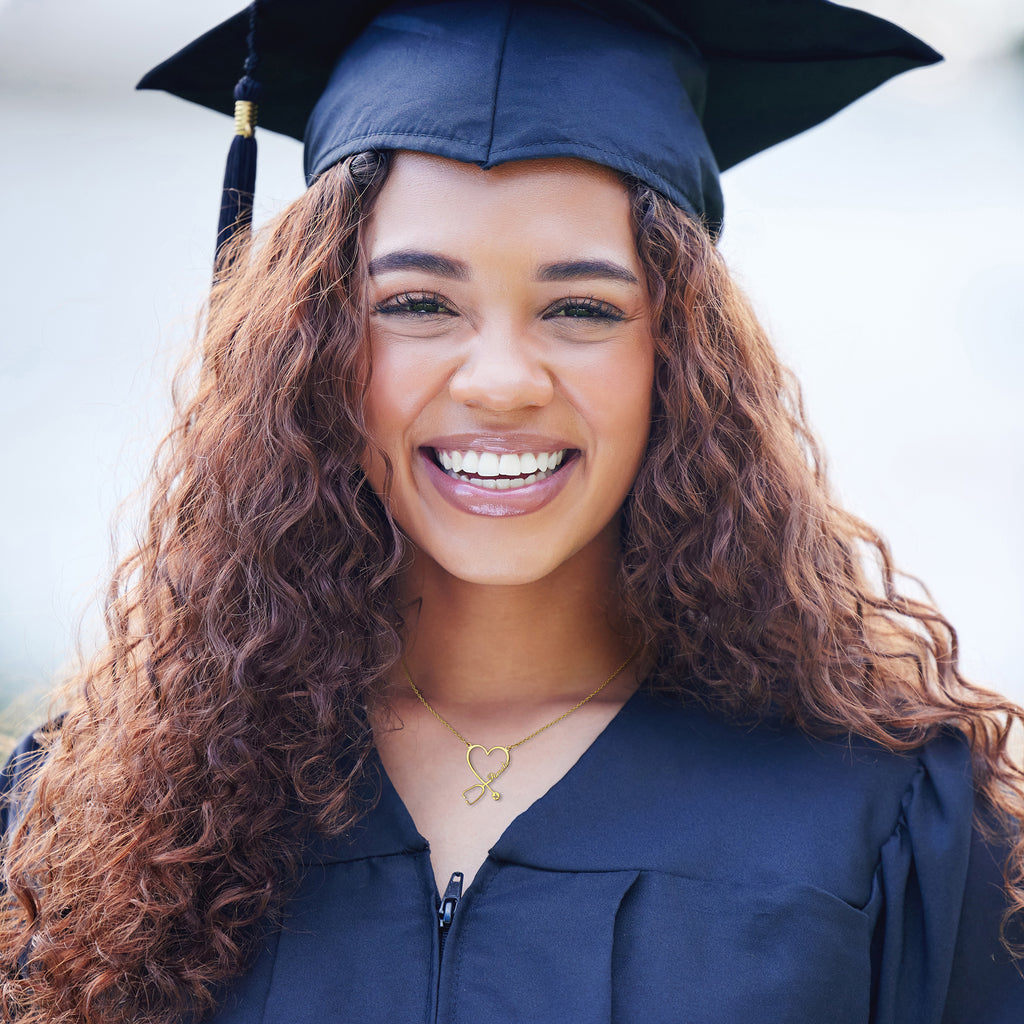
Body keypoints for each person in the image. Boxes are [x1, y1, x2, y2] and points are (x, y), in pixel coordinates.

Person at [2, 1, 1023, 1022]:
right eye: (417, 304)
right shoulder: (100, 821)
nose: (499, 380)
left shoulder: (886, 821)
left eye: (581, 308)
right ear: (308, 351)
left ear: (680, 357)